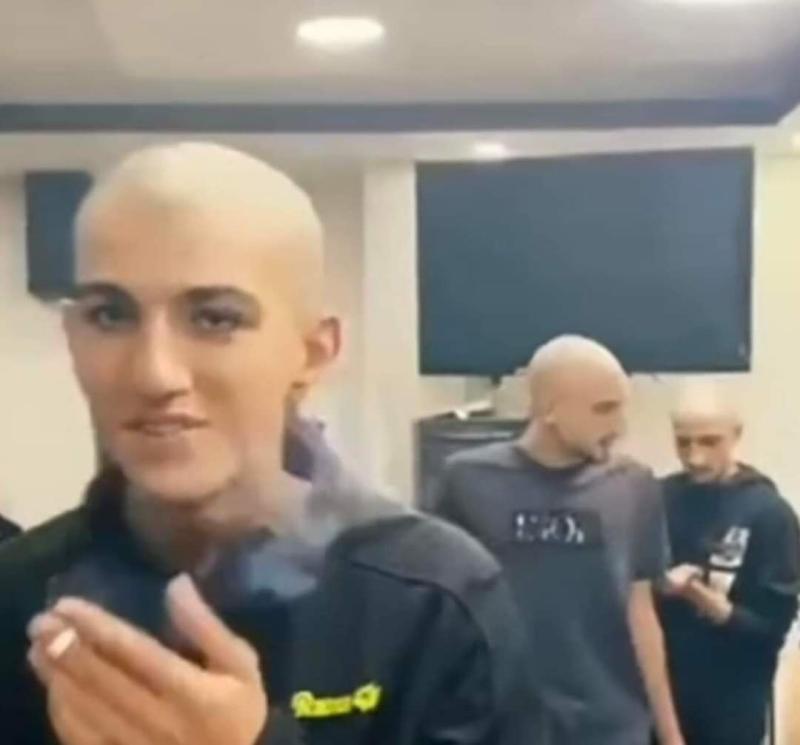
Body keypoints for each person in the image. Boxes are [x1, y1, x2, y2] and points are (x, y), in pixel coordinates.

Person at [0, 143, 546, 745]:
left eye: (215, 319)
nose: (154, 374)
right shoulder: (16, 594)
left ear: (311, 353)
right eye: (110, 315)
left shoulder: (433, 599)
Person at [434, 335, 684, 745]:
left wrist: (671, 735)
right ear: (549, 409)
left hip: (609, 726)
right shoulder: (466, 481)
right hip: (503, 722)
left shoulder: (633, 485)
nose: (619, 427)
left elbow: (641, 613)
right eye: (603, 409)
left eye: (621, 408)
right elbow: (439, 610)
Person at [657, 384, 800, 745]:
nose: (695, 457)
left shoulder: (769, 514)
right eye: (683, 443)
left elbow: (772, 628)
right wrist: (660, 585)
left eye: (709, 442)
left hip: (732, 704)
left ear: (735, 435)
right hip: (660, 699)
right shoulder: (658, 499)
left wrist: (701, 598)